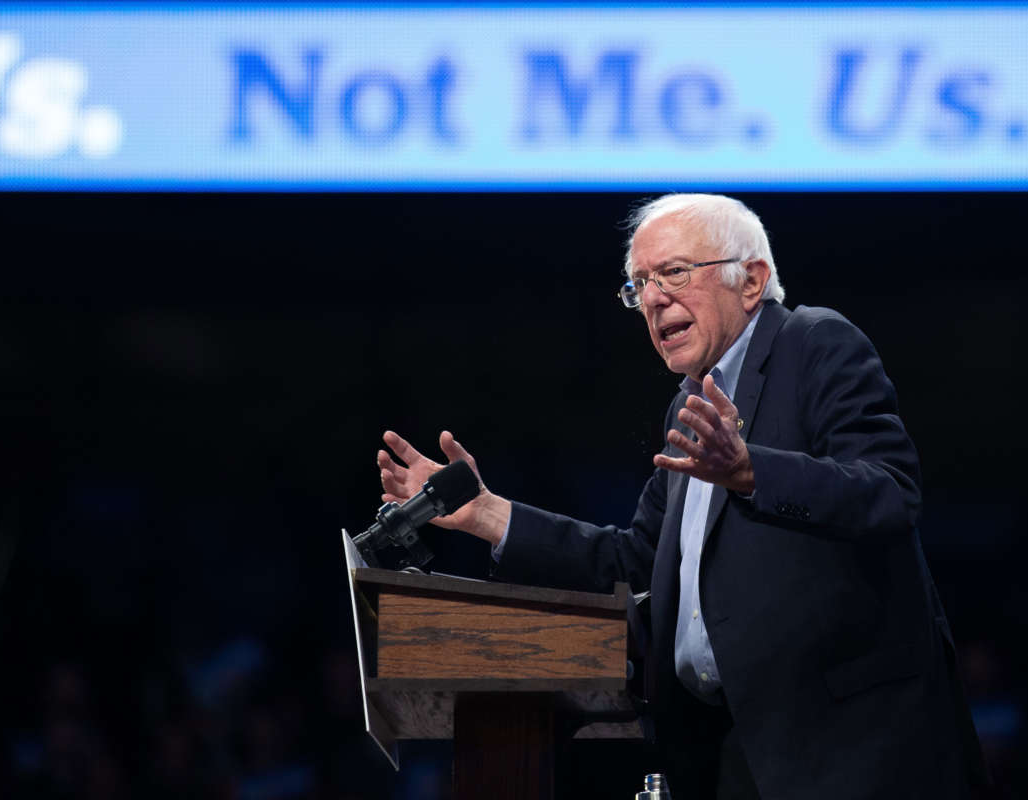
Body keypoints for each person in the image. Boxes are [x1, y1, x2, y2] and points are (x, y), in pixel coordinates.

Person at [376, 194, 987, 799]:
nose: (652, 298)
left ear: (751, 280)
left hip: (851, 753)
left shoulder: (816, 344)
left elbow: (889, 493)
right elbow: (635, 562)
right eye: (638, 284)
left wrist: (751, 472)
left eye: (673, 272)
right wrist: (489, 515)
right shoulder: (691, 403)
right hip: (727, 751)